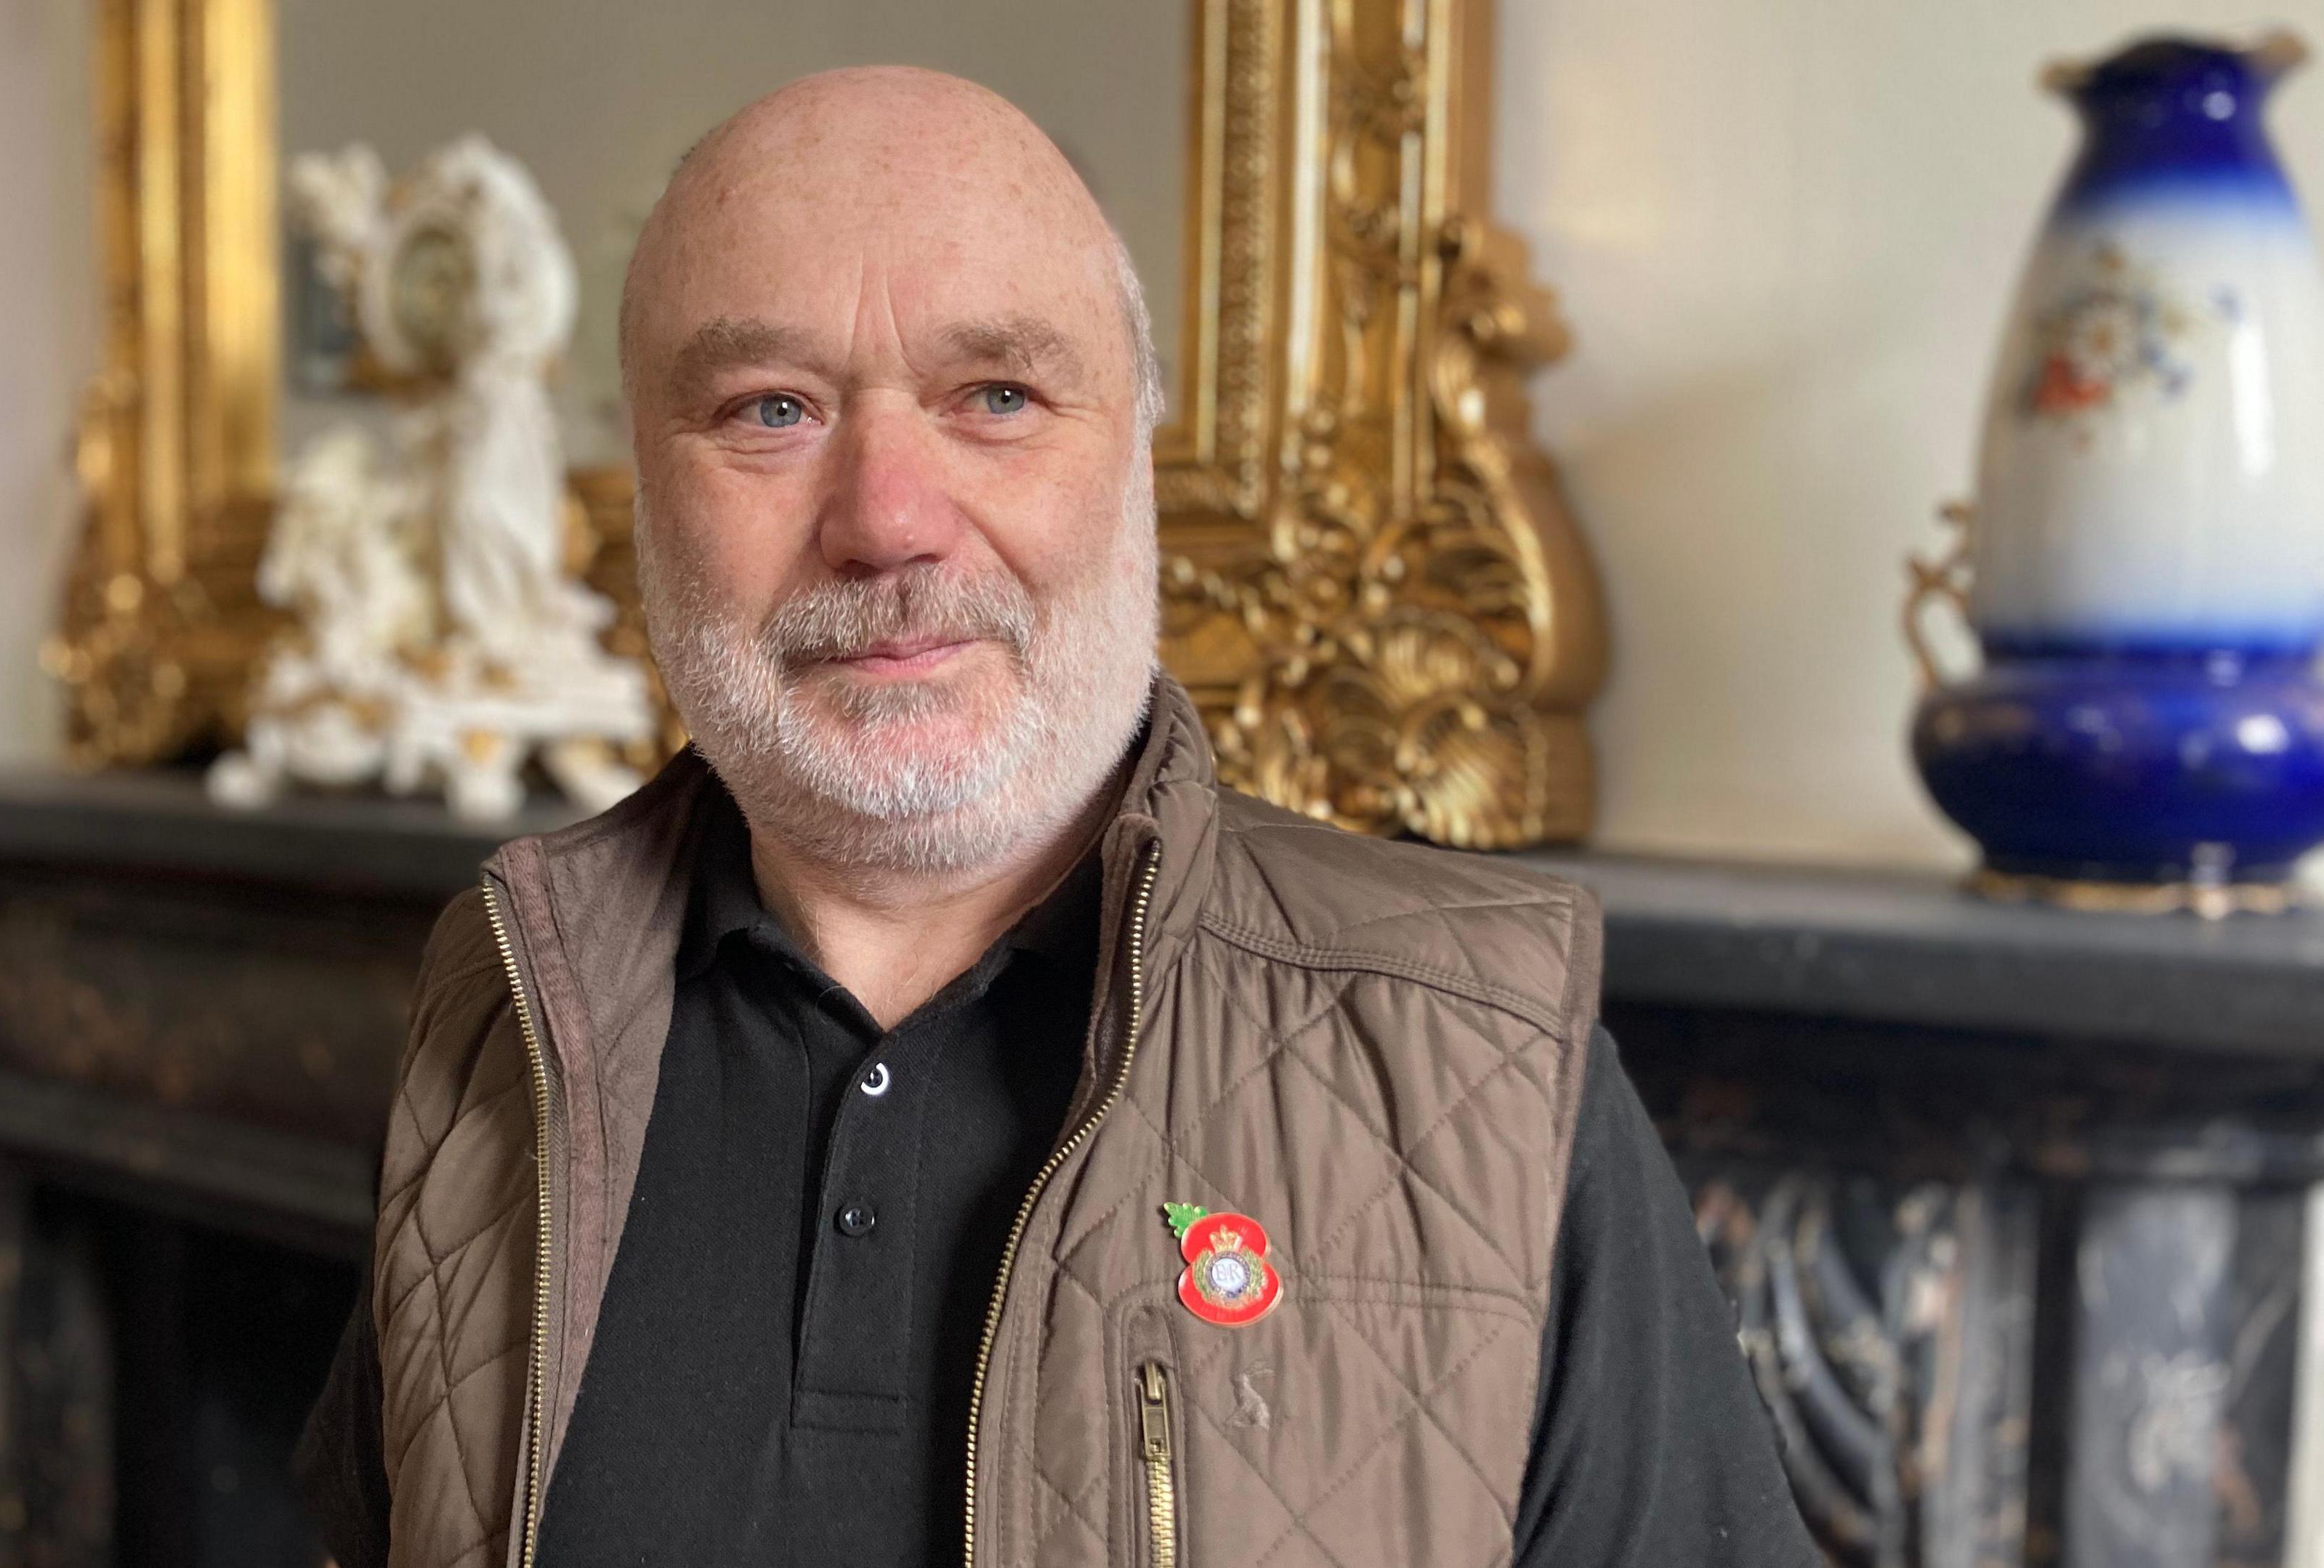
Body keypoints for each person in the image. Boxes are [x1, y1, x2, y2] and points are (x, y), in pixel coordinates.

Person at [295, 65, 1817, 1568]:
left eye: (999, 396)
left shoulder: (1480, 1055)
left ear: (1136, 446)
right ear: (640, 481)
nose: (888, 516)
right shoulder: (499, 993)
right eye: (771, 409)